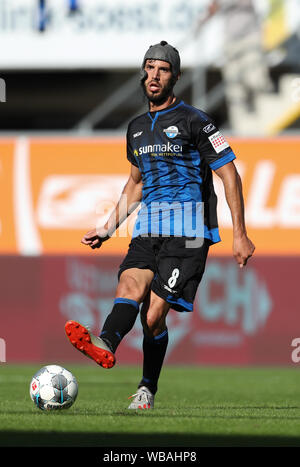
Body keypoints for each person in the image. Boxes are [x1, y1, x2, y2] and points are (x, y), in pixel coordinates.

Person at [64, 41, 255, 409]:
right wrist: (107, 228)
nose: (154, 75)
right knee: (128, 283)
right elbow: (135, 183)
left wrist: (240, 234)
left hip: (188, 231)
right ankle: (105, 343)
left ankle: (147, 388)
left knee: (153, 317)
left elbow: (229, 174)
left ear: (176, 77)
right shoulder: (136, 128)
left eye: (163, 69)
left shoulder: (195, 121)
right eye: (149, 67)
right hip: (148, 226)